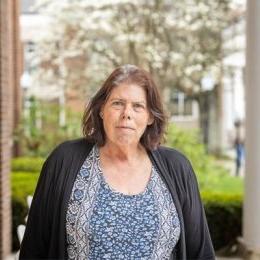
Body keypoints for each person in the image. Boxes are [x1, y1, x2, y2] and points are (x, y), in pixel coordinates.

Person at [20, 64, 215, 260]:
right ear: (101, 110)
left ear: (149, 117)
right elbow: (34, 250)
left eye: (138, 106)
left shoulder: (177, 168)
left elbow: (201, 253)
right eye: (117, 103)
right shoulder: (63, 161)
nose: (127, 113)